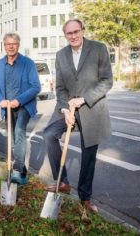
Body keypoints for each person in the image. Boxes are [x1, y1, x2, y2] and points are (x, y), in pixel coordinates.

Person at [44, 19, 113, 214]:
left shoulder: (99, 49)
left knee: (88, 155)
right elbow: (60, 87)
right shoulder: (60, 55)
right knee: (49, 135)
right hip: (67, 108)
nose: (73, 36)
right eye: (69, 33)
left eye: (76, 31)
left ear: (83, 30)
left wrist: (83, 99)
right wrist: (66, 109)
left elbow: (107, 81)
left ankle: (85, 198)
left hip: (92, 109)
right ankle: (63, 182)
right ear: (65, 35)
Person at [0, 33, 41, 185]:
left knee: (19, 131)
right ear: (4, 45)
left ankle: (17, 170)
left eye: (14, 43)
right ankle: (23, 169)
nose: (11, 46)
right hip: (7, 107)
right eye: (8, 44)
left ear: (18, 45)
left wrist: (18, 101)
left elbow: (36, 87)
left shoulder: (28, 63)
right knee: (13, 140)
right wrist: (1, 100)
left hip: (24, 106)